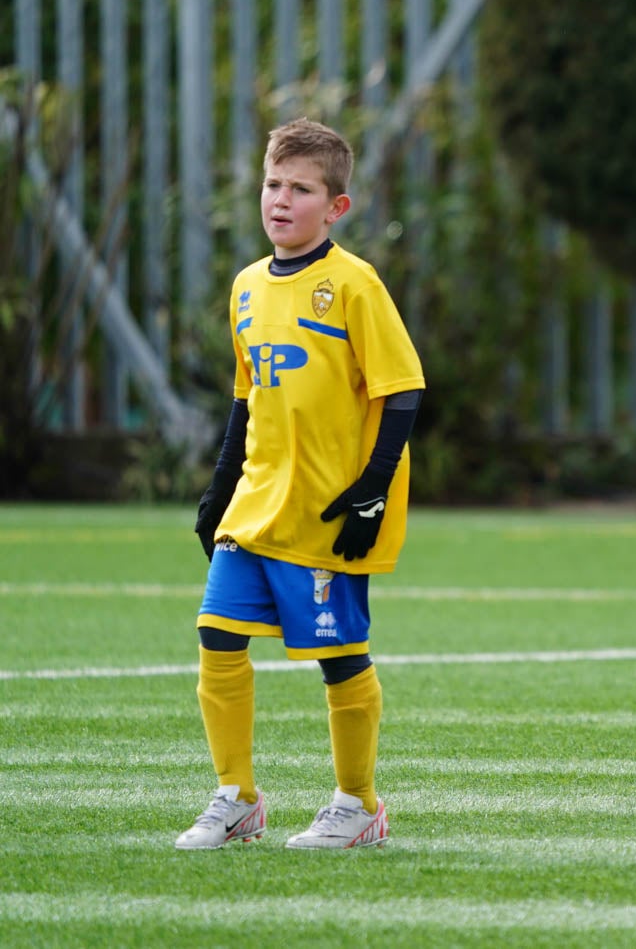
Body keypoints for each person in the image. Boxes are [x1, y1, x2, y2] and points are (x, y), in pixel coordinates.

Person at [176, 118, 425, 848]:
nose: (280, 200)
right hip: (257, 503)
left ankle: (359, 804)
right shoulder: (247, 287)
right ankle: (237, 796)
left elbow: (402, 389)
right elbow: (246, 398)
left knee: (338, 654)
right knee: (216, 634)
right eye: (272, 183)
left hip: (327, 506)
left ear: (336, 206)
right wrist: (220, 489)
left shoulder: (354, 283)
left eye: (301, 188)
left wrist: (373, 490)